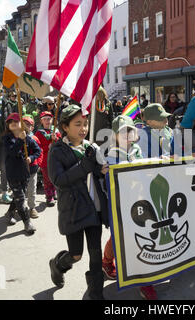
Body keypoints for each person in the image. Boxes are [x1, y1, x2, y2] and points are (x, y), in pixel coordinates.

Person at [47, 104, 109, 300]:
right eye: (77, 124)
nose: (83, 128)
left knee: (95, 254)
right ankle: (57, 265)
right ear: (65, 127)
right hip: (73, 210)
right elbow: (59, 180)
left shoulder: (92, 147)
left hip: (94, 208)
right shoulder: (57, 150)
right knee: (76, 255)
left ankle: (96, 293)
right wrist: (84, 166)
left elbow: (99, 172)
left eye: (85, 123)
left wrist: (101, 170)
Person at [102, 115, 157, 300]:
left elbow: (141, 169)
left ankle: (145, 282)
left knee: (140, 237)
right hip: (120, 202)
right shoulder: (111, 153)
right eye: (123, 131)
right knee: (119, 237)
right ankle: (107, 261)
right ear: (115, 135)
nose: (127, 134)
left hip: (139, 199)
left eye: (130, 130)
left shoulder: (136, 149)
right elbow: (114, 178)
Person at [3, 113, 40, 234]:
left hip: (25, 173)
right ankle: (27, 222)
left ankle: (9, 213)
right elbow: (12, 152)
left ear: (21, 124)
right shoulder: (6, 138)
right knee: (20, 198)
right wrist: (20, 139)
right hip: (12, 173)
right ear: (8, 125)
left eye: (16, 121)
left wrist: (31, 157)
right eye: (10, 121)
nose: (13, 122)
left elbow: (37, 151)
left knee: (19, 196)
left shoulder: (28, 138)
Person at [34, 111, 61, 206]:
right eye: (45, 119)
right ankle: (49, 197)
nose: (47, 121)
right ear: (41, 121)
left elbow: (61, 144)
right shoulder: (39, 133)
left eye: (49, 119)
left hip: (56, 158)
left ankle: (54, 192)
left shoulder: (56, 131)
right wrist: (48, 147)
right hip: (45, 159)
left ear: (52, 120)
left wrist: (56, 140)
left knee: (54, 177)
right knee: (47, 179)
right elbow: (37, 147)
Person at [23, 115, 42, 219]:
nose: (26, 127)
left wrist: (38, 162)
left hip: (33, 169)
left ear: (32, 127)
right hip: (20, 169)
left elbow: (39, 152)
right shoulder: (18, 138)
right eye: (24, 125)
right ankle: (19, 207)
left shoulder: (34, 138)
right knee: (20, 190)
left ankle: (32, 207)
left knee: (32, 189)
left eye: (28, 125)